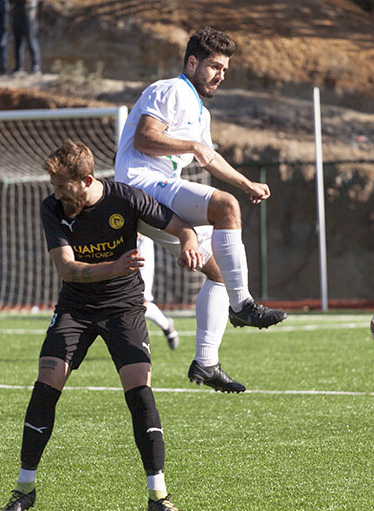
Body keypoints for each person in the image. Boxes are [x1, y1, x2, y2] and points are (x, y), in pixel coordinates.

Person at [0, 140, 200, 511]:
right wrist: (117, 264)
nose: (55, 194)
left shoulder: (127, 199)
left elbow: (180, 226)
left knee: (140, 388)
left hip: (124, 307)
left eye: (62, 187)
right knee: (48, 377)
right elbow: (69, 270)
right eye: (53, 186)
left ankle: (159, 497)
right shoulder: (52, 208)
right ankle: (23, 490)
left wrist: (189, 243)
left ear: (87, 180)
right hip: (76, 307)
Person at [115, 26, 287, 393]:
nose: (220, 75)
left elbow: (209, 157)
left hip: (155, 197)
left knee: (220, 272)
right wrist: (191, 145)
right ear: (192, 62)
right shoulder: (170, 89)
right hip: (140, 186)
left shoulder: (200, 111)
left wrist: (247, 183)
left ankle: (206, 363)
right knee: (225, 207)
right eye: (214, 66)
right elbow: (146, 138)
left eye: (225, 69)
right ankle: (243, 305)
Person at [137, 234, 179, 350]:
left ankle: (166, 325)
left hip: (139, 252)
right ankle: (166, 325)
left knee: (139, 300)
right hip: (115, 253)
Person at [10, 0, 40, 74]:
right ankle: (19, 67)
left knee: (31, 42)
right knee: (17, 43)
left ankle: (36, 67)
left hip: (29, 16)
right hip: (16, 15)